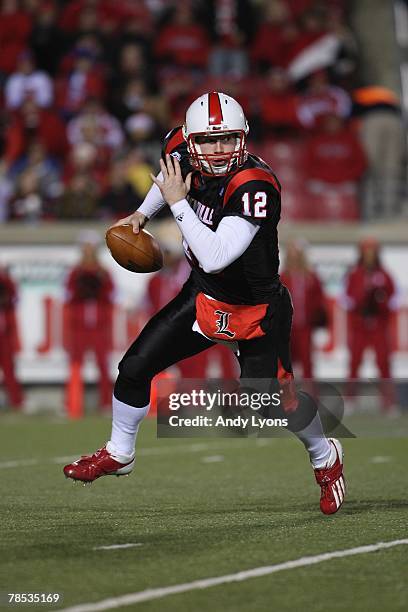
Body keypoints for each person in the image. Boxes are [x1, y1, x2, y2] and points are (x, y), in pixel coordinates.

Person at [64, 91, 346, 515]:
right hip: (204, 297)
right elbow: (169, 184)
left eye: (228, 140)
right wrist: (142, 214)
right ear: (189, 140)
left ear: (244, 138)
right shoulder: (179, 145)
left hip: (257, 310)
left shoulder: (254, 185)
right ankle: (120, 452)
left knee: (271, 406)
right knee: (134, 368)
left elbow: (216, 255)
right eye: (209, 142)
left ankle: (326, 455)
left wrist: (177, 204)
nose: (217, 151)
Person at [63, 233, 115, 415]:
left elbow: (111, 296)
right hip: (79, 326)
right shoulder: (75, 272)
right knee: (76, 363)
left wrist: (98, 287)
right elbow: (68, 295)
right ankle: (73, 405)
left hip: (99, 327)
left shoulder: (103, 272)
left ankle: (106, 403)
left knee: (102, 364)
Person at [345, 238, 398, 413]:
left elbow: (393, 298)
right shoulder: (355, 274)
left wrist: (380, 300)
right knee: (354, 362)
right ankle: (351, 399)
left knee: (384, 362)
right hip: (360, 324)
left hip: (378, 324)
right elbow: (348, 299)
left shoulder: (384, 274)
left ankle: (389, 402)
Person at [281, 239, 327, 379]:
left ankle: (309, 394)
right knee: (285, 363)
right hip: (287, 328)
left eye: (297, 255)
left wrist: (317, 317)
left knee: (307, 362)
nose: (294, 259)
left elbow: (319, 300)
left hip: (305, 326)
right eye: (292, 255)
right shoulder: (283, 277)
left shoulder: (310, 278)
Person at [0, 267, 24, 409]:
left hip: (5, 336)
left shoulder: (7, 283)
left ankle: (16, 402)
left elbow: (15, 297)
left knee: (9, 368)